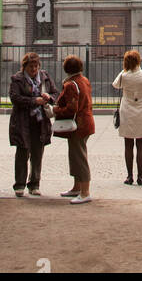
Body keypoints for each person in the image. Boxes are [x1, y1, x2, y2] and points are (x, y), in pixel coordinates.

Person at [8, 51, 56, 197]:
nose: (34, 70)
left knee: (37, 153)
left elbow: (55, 93)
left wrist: (49, 97)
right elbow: (15, 98)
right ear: (24, 67)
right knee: (22, 152)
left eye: (36, 66)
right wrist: (34, 101)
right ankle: (20, 184)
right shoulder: (17, 79)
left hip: (40, 122)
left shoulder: (44, 77)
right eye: (31, 67)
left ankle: (34, 183)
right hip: (23, 121)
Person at [53, 55, 96, 204]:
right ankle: (77, 187)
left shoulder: (71, 84)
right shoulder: (84, 80)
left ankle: (85, 192)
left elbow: (72, 108)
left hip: (78, 125)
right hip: (86, 122)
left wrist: (55, 111)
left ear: (66, 69)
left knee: (79, 157)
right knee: (75, 155)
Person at [112, 49, 142, 185]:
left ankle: (129, 176)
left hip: (127, 110)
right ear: (139, 61)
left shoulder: (124, 76)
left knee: (128, 144)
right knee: (141, 144)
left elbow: (115, 84)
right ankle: (140, 176)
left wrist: (124, 70)